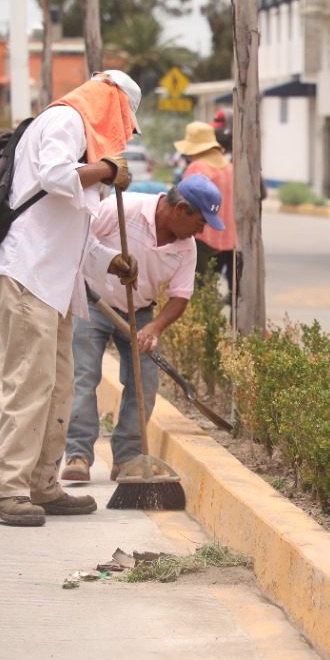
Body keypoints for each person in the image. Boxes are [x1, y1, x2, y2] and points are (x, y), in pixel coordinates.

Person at [0, 71, 139, 527]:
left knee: (58, 386)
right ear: (113, 104)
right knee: (31, 384)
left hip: (51, 284)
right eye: (126, 121)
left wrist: (111, 261)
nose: (125, 135)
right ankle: (6, 488)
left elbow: (75, 235)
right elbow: (54, 177)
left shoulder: (82, 140)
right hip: (26, 274)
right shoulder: (65, 122)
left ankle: (42, 485)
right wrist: (108, 171)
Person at [61, 174, 223, 482]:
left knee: (144, 383)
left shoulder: (186, 249)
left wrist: (156, 328)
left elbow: (180, 296)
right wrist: (106, 262)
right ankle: (78, 453)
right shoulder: (124, 210)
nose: (202, 231)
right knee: (84, 377)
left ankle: (128, 459)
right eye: (200, 222)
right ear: (181, 210)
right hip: (94, 302)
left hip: (141, 312)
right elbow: (79, 238)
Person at [173, 122, 235, 288]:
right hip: (227, 239)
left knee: (197, 290)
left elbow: (183, 201)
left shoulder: (197, 167)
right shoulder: (230, 169)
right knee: (212, 288)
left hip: (200, 238)